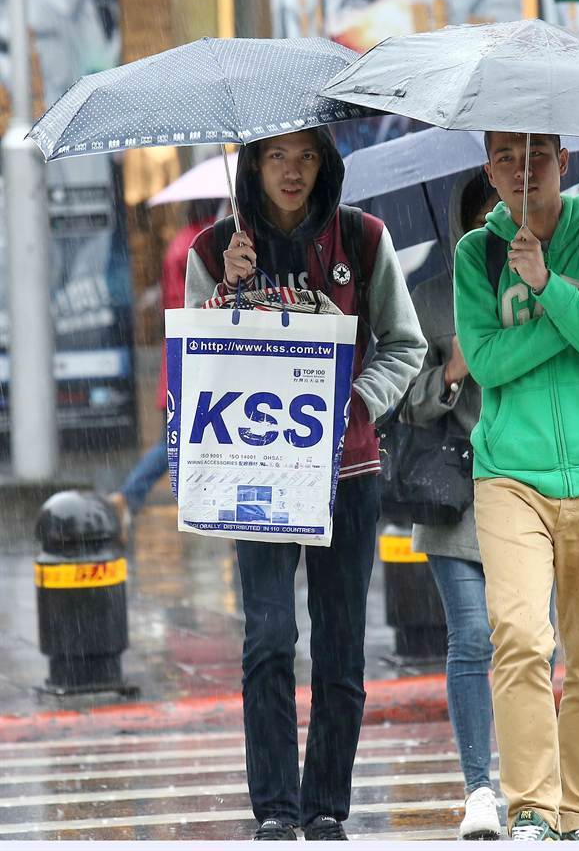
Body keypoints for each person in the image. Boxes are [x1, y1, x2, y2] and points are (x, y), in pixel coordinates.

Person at [185, 128, 426, 841]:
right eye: (276, 156)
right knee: (268, 638)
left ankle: (324, 804)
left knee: (340, 644)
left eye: (307, 156)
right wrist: (224, 288)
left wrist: (357, 402)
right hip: (251, 475)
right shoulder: (212, 248)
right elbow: (190, 363)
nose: (293, 171)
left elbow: (405, 344)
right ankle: (274, 809)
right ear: (254, 164)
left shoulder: (362, 238)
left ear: (326, 163)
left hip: (345, 474)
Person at [403, 169, 579, 840]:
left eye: (530, 157)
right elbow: (488, 360)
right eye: (502, 158)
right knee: (517, 639)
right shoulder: (476, 259)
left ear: (562, 158)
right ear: (489, 163)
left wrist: (548, 289)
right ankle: (529, 807)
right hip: (504, 474)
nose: (518, 174)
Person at [108, 201, 219, 528]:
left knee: (182, 437)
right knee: (177, 438)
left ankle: (133, 497)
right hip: (195, 355)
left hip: (181, 351)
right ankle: (127, 496)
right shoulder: (203, 244)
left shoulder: (183, 240)